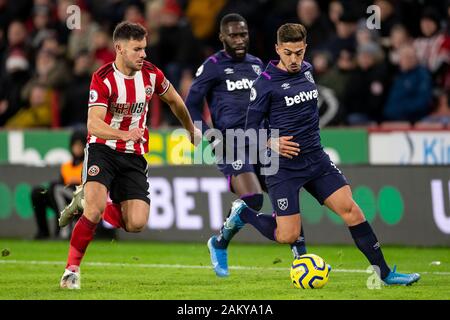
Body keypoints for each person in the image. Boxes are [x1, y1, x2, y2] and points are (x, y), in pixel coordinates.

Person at [219, 23, 420, 286]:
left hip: (316, 159)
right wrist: (271, 141)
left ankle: (385, 274)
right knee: (288, 235)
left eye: (299, 52)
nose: (294, 59)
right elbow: (249, 130)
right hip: (283, 167)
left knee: (353, 212)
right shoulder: (265, 84)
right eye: (288, 52)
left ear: (306, 48)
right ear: (278, 49)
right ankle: (244, 214)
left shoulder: (308, 70)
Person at [58, 21, 201, 289]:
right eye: (137, 49)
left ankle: (83, 201)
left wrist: (191, 130)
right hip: (103, 150)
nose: (143, 55)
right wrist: (123, 134)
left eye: (144, 48)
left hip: (134, 156)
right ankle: (71, 270)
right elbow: (93, 123)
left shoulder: (150, 74)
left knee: (136, 223)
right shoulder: (102, 78)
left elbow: (175, 101)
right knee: (95, 210)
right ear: (119, 49)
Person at [185, 13, 304, 278]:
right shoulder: (213, 66)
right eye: (234, 35)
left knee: (286, 197)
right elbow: (190, 104)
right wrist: (207, 134)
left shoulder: (256, 64)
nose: (239, 40)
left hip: (261, 139)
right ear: (222, 37)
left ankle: (301, 258)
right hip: (231, 142)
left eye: (243, 34)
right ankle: (221, 241)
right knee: (253, 198)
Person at [32, 130, 86, 239]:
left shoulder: (87, 165)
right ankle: (43, 232)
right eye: (75, 145)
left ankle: (64, 229)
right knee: (38, 192)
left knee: (56, 188)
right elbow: (61, 184)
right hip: (62, 199)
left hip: (80, 201)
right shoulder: (66, 166)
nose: (77, 148)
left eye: (80, 145)